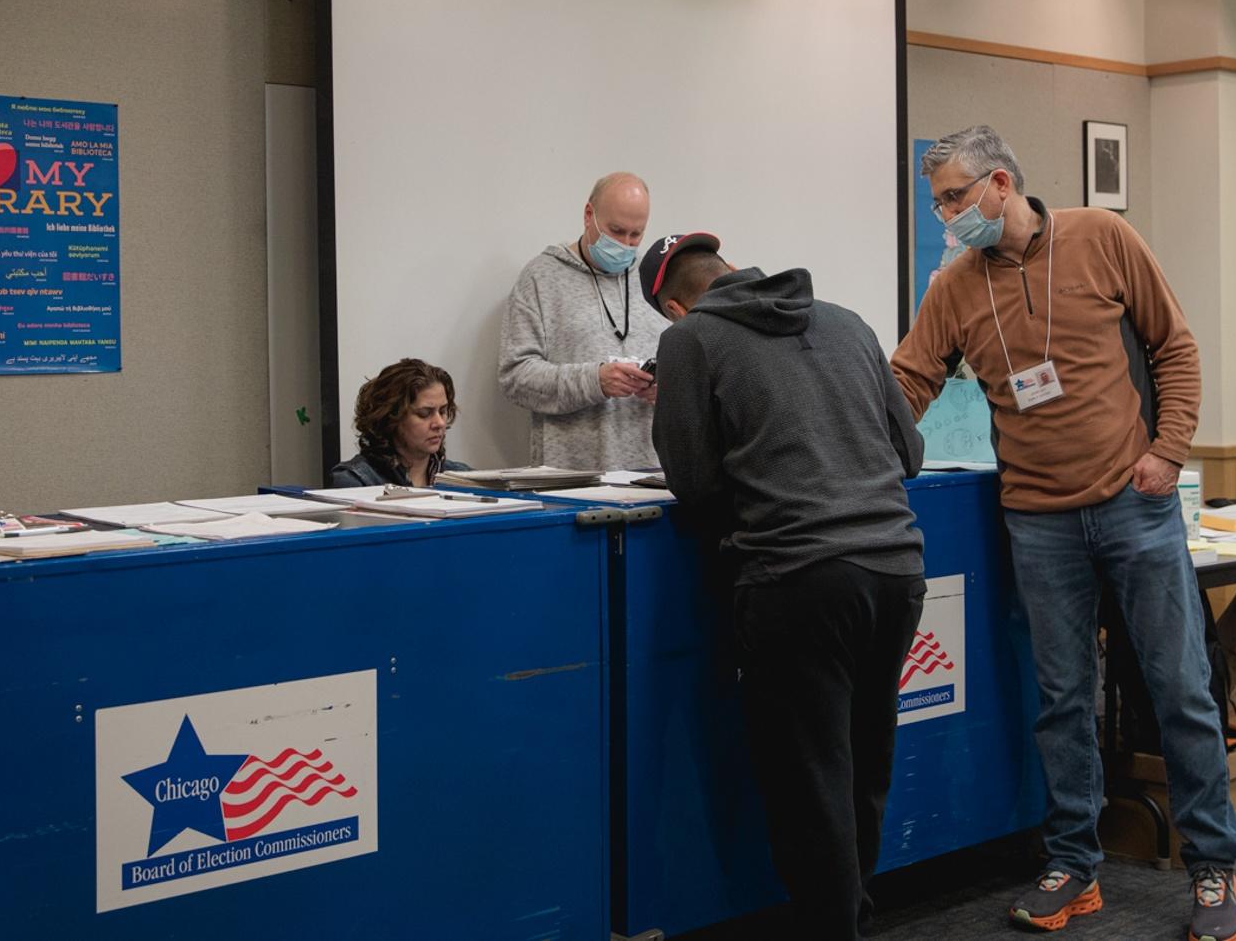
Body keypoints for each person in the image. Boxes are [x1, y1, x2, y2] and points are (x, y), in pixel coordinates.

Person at [890, 126, 1236, 940]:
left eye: (953, 196)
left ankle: (1214, 870)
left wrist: (1169, 452)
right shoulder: (953, 286)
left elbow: (1175, 346)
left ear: (1002, 184)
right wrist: (849, 434)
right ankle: (1074, 867)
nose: (945, 215)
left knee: (1179, 690)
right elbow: (909, 380)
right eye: (937, 200)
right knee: (1062, 701)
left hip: (1135, 504)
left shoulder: (1102, 237)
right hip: (1036, 519)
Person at [641, 231, 926, 941]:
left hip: (796, 577)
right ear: (735, 269)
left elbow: (696, 485)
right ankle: (853, 914)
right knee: (863, 761)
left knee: (809, 779)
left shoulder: (692, 341)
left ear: (675, 306)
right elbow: (910, 453)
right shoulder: (847, 320)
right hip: (896, 569)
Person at [498, 172, 667, 470]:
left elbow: (692, 368)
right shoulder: (541, 277)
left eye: (636, 234)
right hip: (571, 479)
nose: (626, 244)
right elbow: (515, 377)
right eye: (616, 231)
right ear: (589, 215)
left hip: (654, 475)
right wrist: (594, 381)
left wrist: (669, 386)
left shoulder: (657, 279)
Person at [328, 358, 471, 488]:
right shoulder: (357, 480)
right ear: (391, 417)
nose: (439, 423)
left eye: (443, 411)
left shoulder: (465, 479)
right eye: (424, 414)